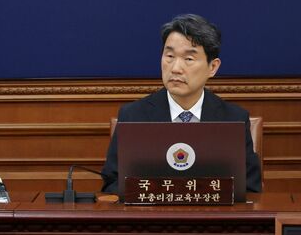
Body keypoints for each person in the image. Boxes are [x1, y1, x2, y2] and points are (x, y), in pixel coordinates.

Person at [100, 14, 261, 193]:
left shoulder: (234, 119)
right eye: (169, 56)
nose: (176, 68)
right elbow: (111, 185)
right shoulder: (133, 116)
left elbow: (250, 189)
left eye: (189, 59)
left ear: (213, 67)